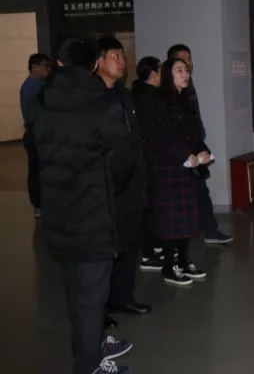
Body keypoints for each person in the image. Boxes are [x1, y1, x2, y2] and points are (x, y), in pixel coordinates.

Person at [29, 37, 135, 374]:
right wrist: (104, 186)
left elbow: (35, 150)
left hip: (57, 213)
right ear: (94, 64)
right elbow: (124, 160)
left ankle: (92, 346)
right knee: (92, 298)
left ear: (59, 63)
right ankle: (88, 366)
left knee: (77, 292)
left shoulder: (41, 102)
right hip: (93, 216)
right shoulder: (102, 104)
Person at [94, 37, 152, 322]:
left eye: (122, 56)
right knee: (104, 252)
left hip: (131, 185)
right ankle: (100, 308)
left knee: (129, 245)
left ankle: (123, 298)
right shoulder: (92, 98)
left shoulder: (125, 95)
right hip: (106, 187)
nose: (121, 61)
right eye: (115, 56)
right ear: (99, 61)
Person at [149, 57, 209, 286]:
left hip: (187, 167)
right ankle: (169, 266)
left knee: (186, 219)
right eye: (179, 70)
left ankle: (184, 262)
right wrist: (184, 154)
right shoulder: (159, 101)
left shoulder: (187, 100)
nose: (185, 74)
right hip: (168, 167)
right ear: (168, 75)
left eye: (186, 70)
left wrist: (203, 150)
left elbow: (195, 134)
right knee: (170, 221)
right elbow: (160, 136)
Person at [167, 44, 233, 244]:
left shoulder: (188, 88)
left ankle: (210, 231)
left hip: (194, 145)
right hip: (179, 155)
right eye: (182, 63)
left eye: (189, 61)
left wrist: (201, 146)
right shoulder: (166, 98)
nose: (188, 66)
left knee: (201, 192)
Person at [131, 56, 165, 272]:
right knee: (150, 205)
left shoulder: (139, 93)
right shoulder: (149, 96)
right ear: (153, 72)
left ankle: (153, 245)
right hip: (150, 157)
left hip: (147, 156)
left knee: (151, 205)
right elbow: (154, 129)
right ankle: (148, 253)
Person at [19, 53, 52, 218]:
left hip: (33, 135)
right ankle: (40, 204)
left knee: (36, 170)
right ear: (34, 67)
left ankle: (39, 205)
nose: (48, 69)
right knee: (38, 171)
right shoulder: (35, 87)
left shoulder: (31, 85)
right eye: (45, 65)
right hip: (37, 136)